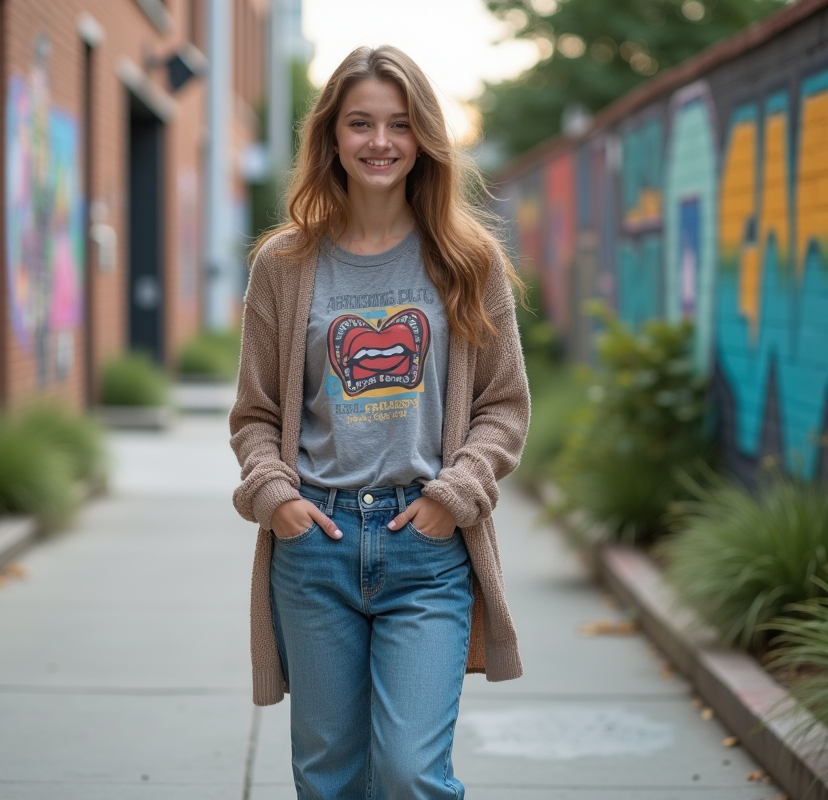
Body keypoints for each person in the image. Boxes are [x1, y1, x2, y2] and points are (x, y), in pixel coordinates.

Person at [229, 45, 530, 799]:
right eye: (360, 123)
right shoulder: (284, 266)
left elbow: (503, 406)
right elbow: (257, 414)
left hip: (424, 550)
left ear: (424, 137)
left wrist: (452, 495)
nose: (380, 142)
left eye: (399, 124)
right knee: (329, 778)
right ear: (331, 135)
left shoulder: (468, 263)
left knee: (409, 773)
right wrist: (278, 499)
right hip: (317, 547)